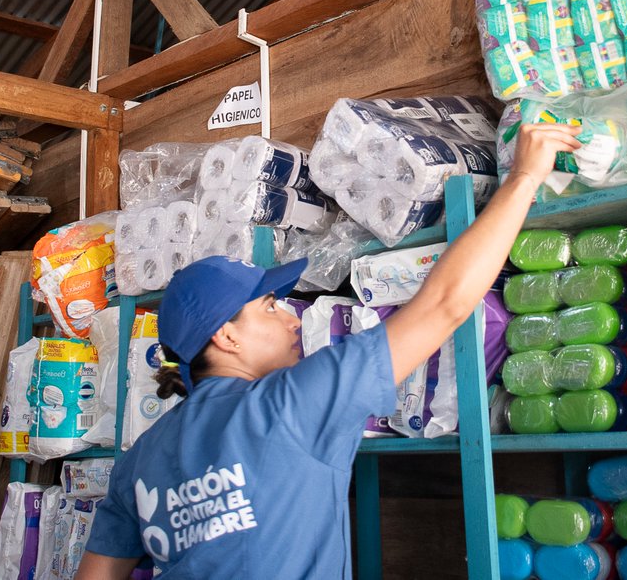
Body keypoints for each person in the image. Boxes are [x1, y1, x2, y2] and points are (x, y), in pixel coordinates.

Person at [76, 122, 581, 579]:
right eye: (270, 306)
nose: (291, 313)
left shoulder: (139, 459)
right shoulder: (291, 403)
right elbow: (444, 306)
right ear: (225, 337)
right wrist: (522, 179)